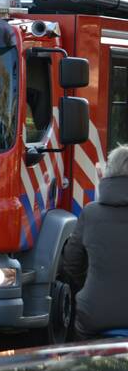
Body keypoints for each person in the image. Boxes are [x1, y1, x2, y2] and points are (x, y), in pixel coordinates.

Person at [63, 144, 128, 339]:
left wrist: (90, 284)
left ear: (109, 173)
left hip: (94, 313)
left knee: (85, 351)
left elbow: (71, 262)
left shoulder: (90, 213)